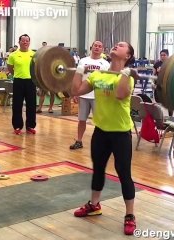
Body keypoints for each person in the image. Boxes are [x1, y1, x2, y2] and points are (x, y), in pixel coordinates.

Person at [71, 41, 137, 235]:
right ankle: (94, 205)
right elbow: (76, 91)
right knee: (98, 169)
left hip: (121, 133)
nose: (117, 45)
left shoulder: (127, 77)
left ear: (127, 56)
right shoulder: (98, 74)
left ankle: (130, 215)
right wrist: (79, 70)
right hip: (100, 131)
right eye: (117, 43)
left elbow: (120, 95)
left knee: (123, 173)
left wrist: (125, 75)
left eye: (122, 45)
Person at [70, 41, 110, 150]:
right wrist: (76, 94)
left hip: (98, 96)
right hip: (84, 95)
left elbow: (107, 80)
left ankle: (101, 143)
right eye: (95, 46)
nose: (97, 48)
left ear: (102, 49)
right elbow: (78, 76)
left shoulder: (105, 64)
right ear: (91, 47)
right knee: (81, 119)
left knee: (100, 121)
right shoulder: (83, 61)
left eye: (100, 46)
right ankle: (79, 141)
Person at [7, 34, 37, 135]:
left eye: (27, 41)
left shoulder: (34, 54)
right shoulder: (13, 55)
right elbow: (10, 68)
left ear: (29, 42)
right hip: (18, 81)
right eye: (23, 40)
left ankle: (30, 126)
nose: (25, 42)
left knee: (31, 105)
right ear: (19, 42)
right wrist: (17, 74)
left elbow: (37, 68)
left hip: (31, 82)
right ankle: (17, 126)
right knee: (17, 104)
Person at [153, 49, 173, 116]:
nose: (162, 56)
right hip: (158, 85)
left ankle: (170, 117)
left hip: (167, 86)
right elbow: (153, 75)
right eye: (161, 55)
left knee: (169, 103)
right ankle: (159, 118)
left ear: (167, 56)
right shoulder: (157, 64)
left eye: (164, 55)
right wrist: (152, 84)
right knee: (158, 102)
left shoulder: (171, 64)